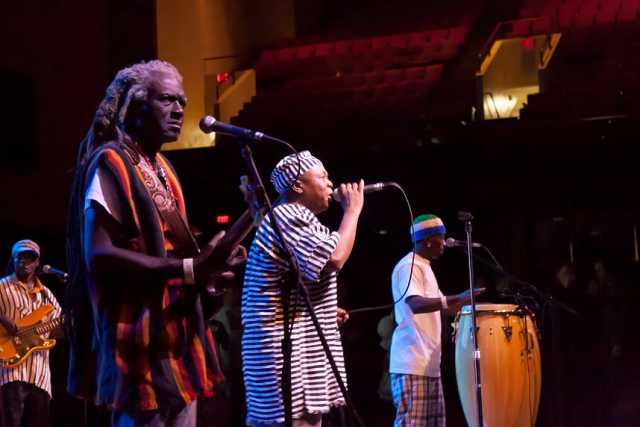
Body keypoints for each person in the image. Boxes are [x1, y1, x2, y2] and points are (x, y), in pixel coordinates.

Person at [65, 60, 245, 427]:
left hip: (177, 338)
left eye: (182, 100)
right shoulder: (111, 163)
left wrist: (211, 266)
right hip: (138, 344)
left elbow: (174, 255)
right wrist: (187, 268)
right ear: (135, 105)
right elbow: (97, 256)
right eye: (166, 100)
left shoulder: (164, 168)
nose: (179, 109)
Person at [241, 150, 364, 426]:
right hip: (285, 355)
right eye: (322, 176)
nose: (331, 183)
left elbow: (291, 282)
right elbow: (334, 259)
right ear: (298, 185)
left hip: (299, 347)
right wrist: (352, 211)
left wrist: (322, 311)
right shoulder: (287, 215)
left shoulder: (300, 219)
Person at [389, 214, 483, 427]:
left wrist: (471, 308)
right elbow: (415, 304)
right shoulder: (409, 265)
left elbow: (443, 307)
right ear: (427, 239)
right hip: (412, 363)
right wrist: (456, 298)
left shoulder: (425, 267)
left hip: (428, 365)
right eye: (441, 237)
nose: (445, 243)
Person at [0, 239, 62, 427]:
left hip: (41, 375)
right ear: (13, 259)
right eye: (21, 257)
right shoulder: (2, 286)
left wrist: (70, 325)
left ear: (37, 263)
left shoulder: (47, 295)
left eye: (31, 258)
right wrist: (3, 318)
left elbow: (55, 332)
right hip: (11, 370)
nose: (26, 262)